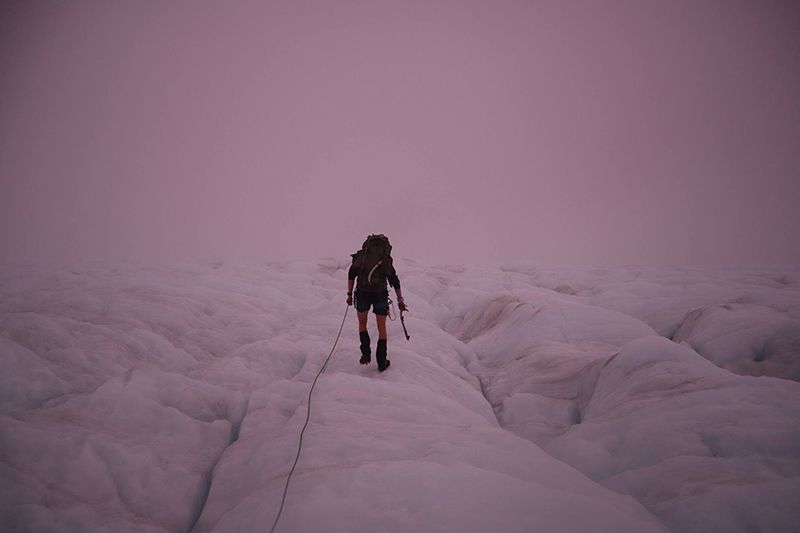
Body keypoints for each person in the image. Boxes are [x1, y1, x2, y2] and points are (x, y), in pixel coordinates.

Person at [346, 235, 407, 372]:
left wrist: (349, 294)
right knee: (382, 327)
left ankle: (366, 354)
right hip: (380, 294)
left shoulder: (362, 257)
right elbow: (394, 280)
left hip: (362, 293)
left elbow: (351, 274)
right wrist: (400, 300)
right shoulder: (385, 260)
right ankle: (381, 361)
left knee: (362, 323)